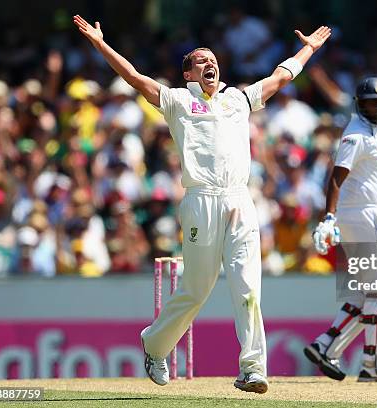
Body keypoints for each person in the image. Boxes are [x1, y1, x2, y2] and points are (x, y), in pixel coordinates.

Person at [73, 15, 331, 393]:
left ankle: (253, 368)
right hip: (201, 202)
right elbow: (132, 76)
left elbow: (280, 77)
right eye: (201, 60)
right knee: (197, 288)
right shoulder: (176, 100)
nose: (210, 63)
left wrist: (307, 49)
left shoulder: (238, 99)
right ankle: (156, 344)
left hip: (240, 199)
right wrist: (99, 43)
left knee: (248, 286)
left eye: (213, 59)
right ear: (189, 73)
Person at [305, 77, 377, 382]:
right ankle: (374, 364)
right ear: (361, 105)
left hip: (367, 216)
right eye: (374, 102)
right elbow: (336, 178)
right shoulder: (356, 135)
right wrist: (328, 218)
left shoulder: (372, 134)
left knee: (371, 292)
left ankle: (328, 345)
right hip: (365, 218)